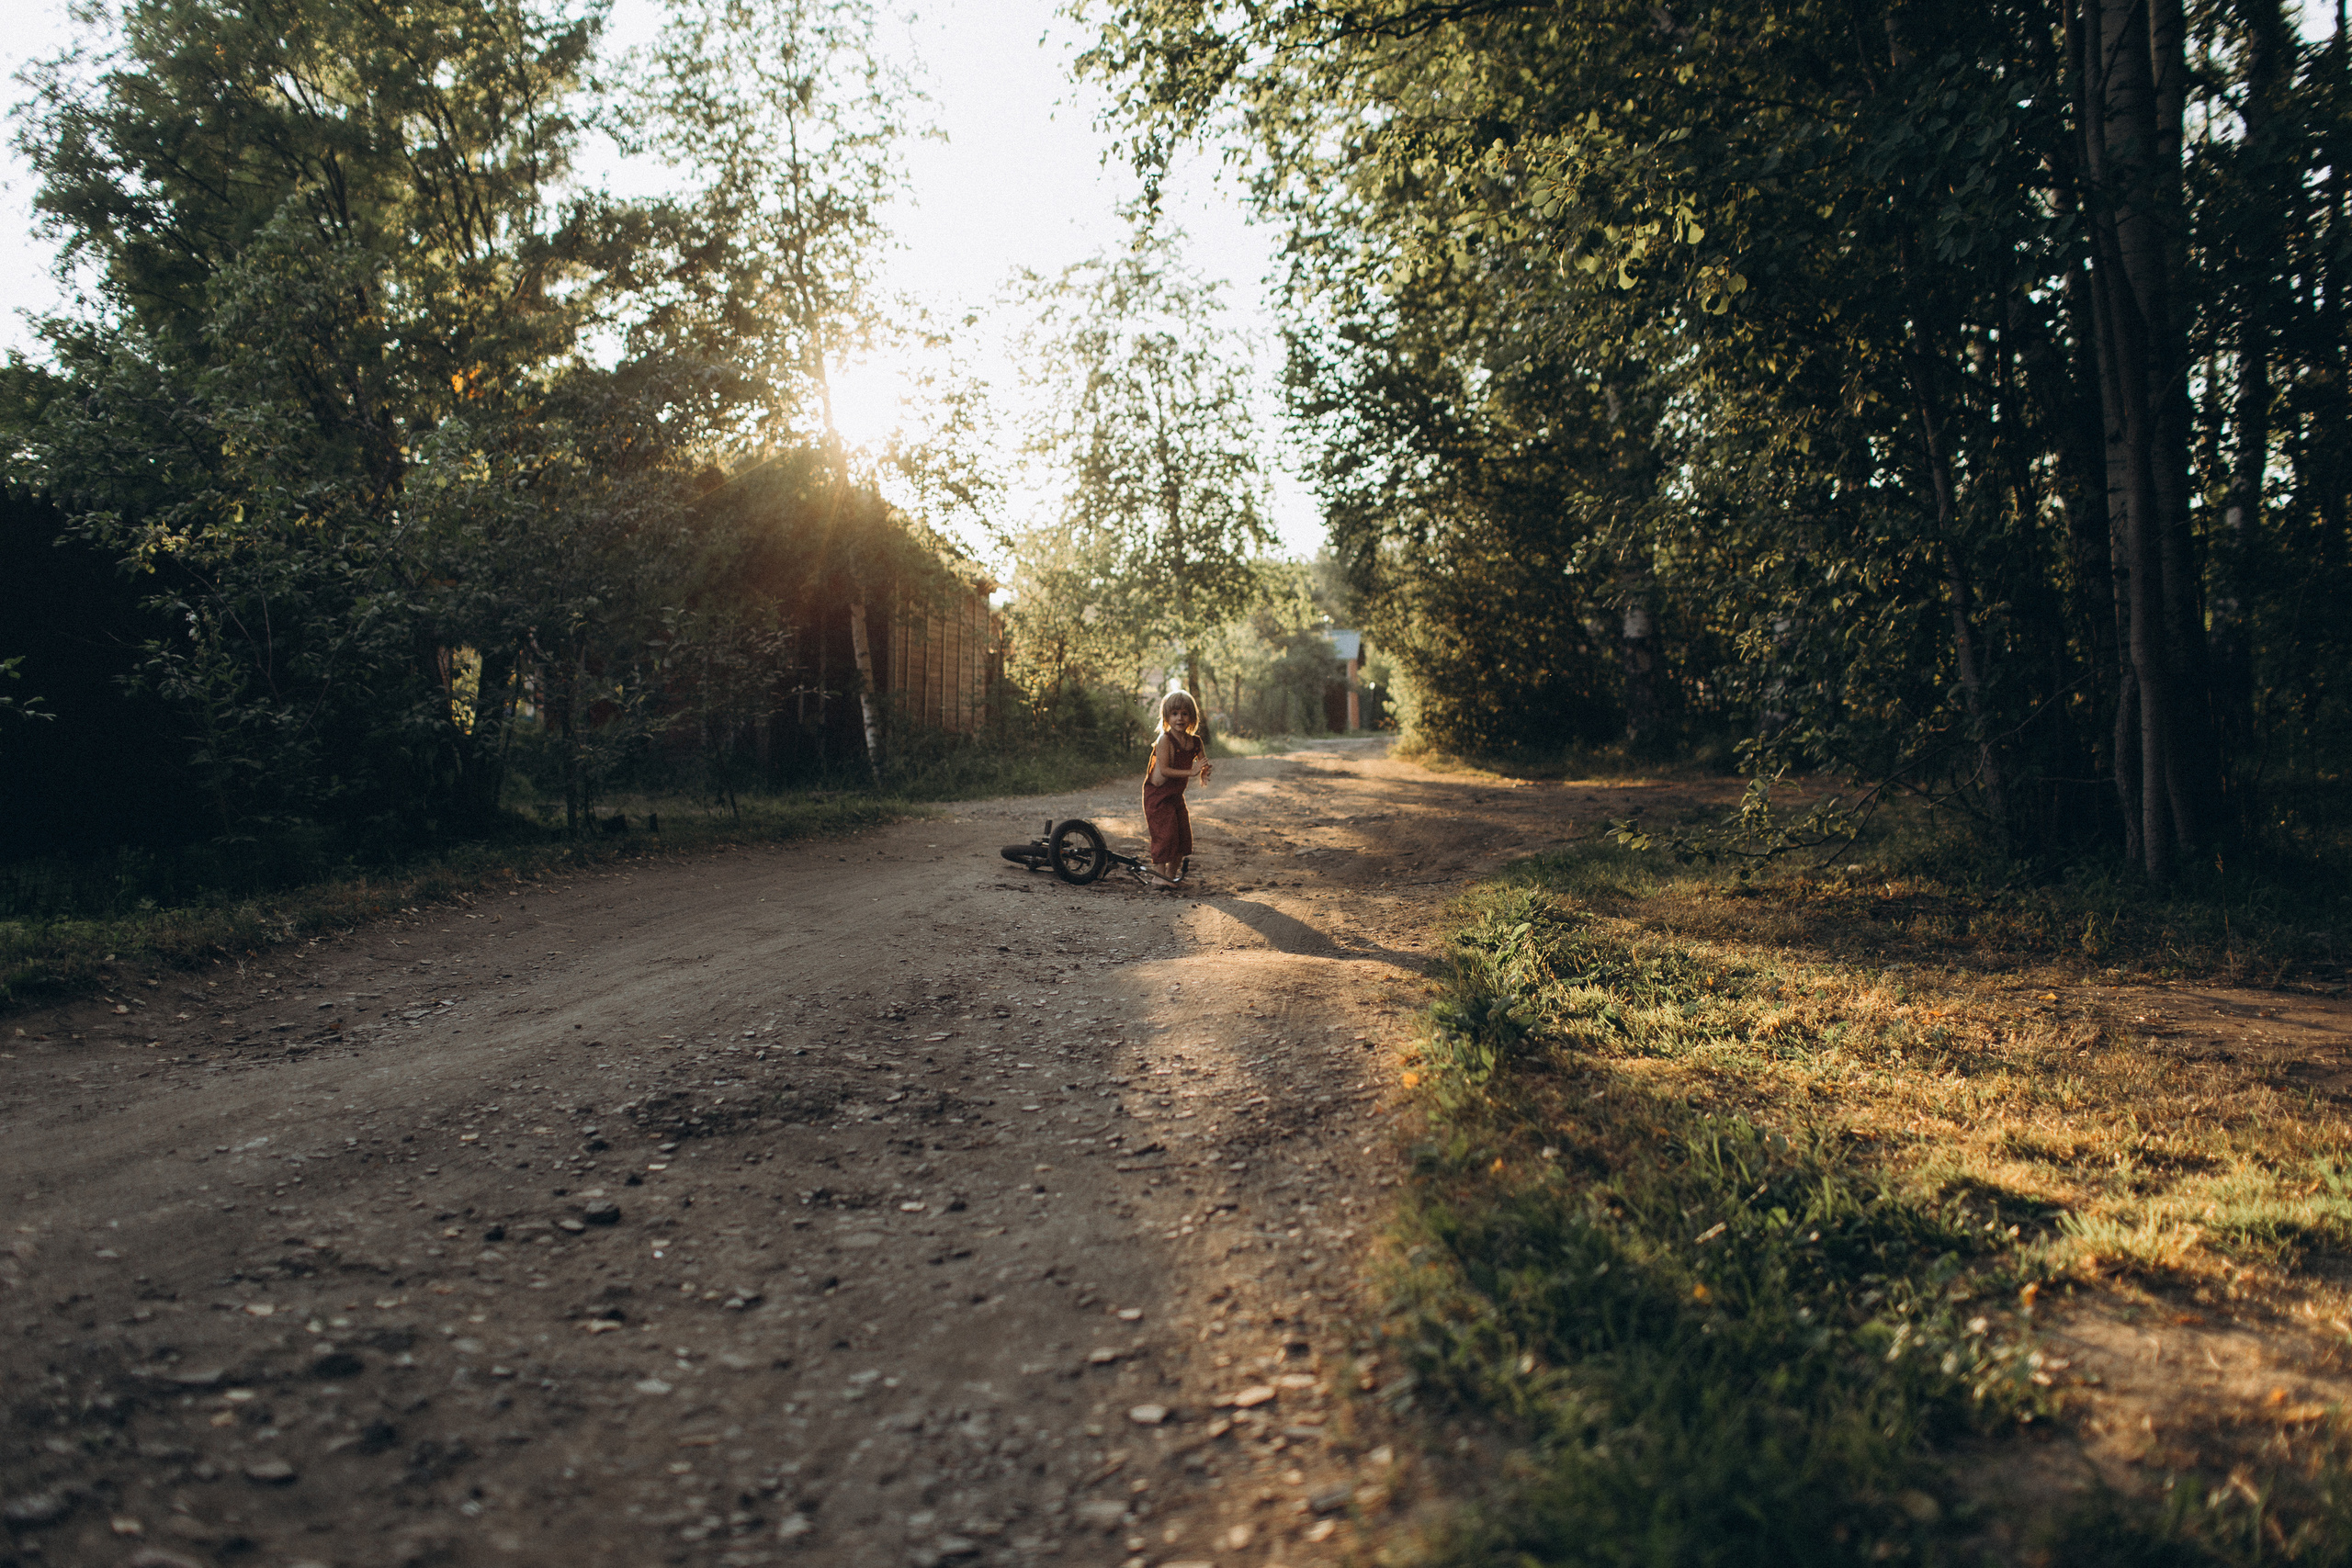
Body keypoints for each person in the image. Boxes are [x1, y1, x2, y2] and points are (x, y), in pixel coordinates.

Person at [1142, 690, 1212, 883]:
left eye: (1184, 713)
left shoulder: (1195, 741)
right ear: (1166, 717)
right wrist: (1191, 772)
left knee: (1182, 835)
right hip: (1158, 795)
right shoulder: (1165, 740)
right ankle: (1159, 876)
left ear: (1192, 717)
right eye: (1174, 714)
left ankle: (1171, 876)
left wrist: (1204, 771)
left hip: (1175, 795)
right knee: (1165, 835)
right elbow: (1164, 770)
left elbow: (1202, 762)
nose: (1179, 718)